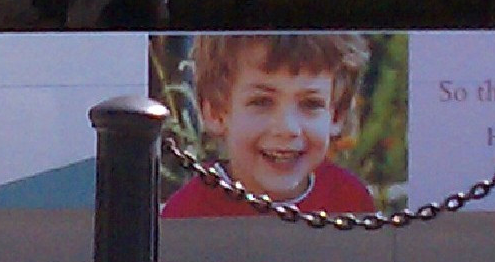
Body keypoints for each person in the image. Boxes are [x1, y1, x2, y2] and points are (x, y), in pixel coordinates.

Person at [161, 33, 383, 219]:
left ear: (336, 116)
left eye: (310, 104)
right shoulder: (186, 216)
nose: (287, 128)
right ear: (216, 112)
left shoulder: (350, 200)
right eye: (261, 102)